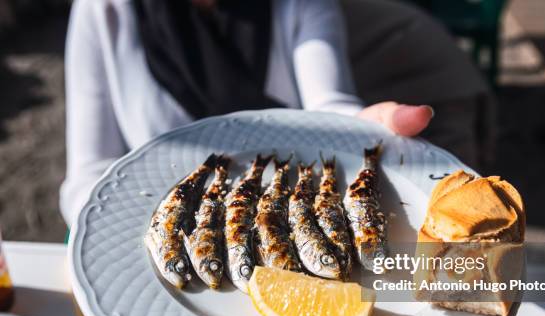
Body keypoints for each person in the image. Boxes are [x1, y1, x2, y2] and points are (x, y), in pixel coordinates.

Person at [60, 0, 487, 226]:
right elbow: (88, 175)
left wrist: (356, 128)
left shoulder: (296, 4)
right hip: (174, 237)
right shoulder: (104, 12)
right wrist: (136, 233)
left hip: (286, 220)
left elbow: (327, 103)